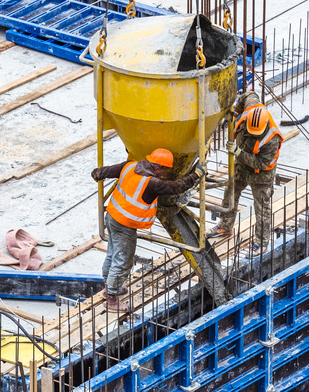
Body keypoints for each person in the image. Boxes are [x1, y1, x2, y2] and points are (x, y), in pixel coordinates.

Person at [91, 148, 206, 311]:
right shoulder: (152, 183)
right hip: (125, 224)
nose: (166, 173)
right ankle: (111, 300)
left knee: (112, 252)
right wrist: (197, 175)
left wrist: (97, 173)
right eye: (166, 170)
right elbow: (176, 187)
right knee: (123, 260)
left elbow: (103, 172)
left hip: (112, 216)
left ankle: (108, 288)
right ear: (158, 167)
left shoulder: (129, 166)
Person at [207, 91, 282, 253]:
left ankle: (261, 242)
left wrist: (239, 152)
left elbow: (262, 163)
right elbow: (248, 94)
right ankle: (225, 226)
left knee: (262, 208)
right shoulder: (250, 107)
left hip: (261, 175)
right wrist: (234, 112)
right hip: (241, 166)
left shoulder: (272, 138)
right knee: (230, 193)